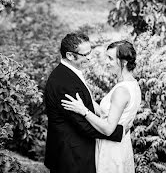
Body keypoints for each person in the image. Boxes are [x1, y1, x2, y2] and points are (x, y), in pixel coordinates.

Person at [44, 32, 124, 173]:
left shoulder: (68, 73)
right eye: (85, 55)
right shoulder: (64, 83)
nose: (89, 57)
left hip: (73, 153)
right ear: (70, 55)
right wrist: (119, 131)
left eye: (90, 52)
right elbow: (83, 125)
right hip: (71, 157)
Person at [61, 40, 141, 173]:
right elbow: (106, 113)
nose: (106, 62)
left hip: (111, 149)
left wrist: (83, 110)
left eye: (110, 58)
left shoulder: (121, 91)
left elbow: (109, 129)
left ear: (124, 62)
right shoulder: (132, 84)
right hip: (121, 144)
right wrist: (86, 94)